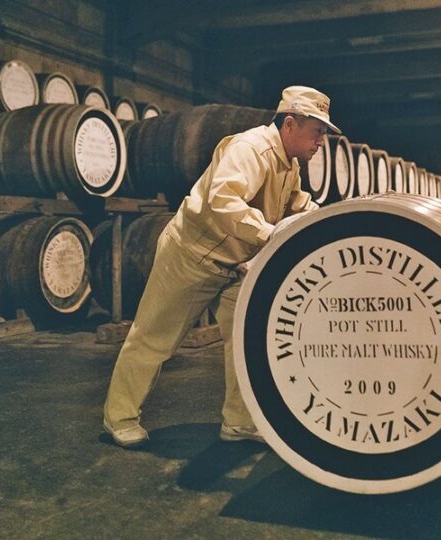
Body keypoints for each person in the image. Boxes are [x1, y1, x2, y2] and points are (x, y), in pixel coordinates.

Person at [102, 86, 341, 448]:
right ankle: (118, 418)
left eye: (324, 132)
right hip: (193, 256)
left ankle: (240, 422)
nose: (322, 140)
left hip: (235, 262)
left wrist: (329, 220)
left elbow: (297, 203)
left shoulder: (288, 163)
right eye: (318, 130)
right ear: (290, 124)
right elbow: (223, 199)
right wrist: (267, 233)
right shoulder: (250, 149)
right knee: (153, 338)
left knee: (246, 342)